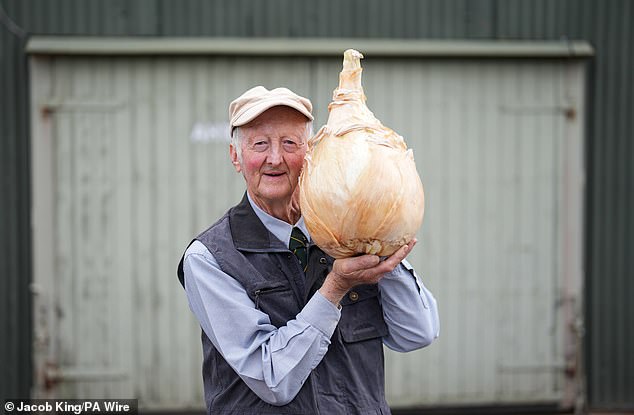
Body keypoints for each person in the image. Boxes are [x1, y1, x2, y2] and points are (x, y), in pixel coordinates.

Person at [177, 85, 439, 414]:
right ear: (236, 157)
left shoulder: (349, 232)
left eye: (290, 143)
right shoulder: (211, 259)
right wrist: (335, 288)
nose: (275, 158)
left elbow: (418, 333)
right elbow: (271, 378)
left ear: (311, 153)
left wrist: (383, 245)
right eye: (260, 144)